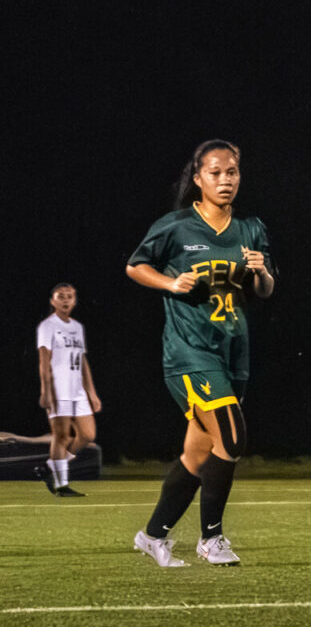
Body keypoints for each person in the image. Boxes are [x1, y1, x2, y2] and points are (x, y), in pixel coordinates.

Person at [125, 141, 273, 567]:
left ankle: (152, 536)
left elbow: (265, 291)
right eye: (215, 173)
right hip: (190, 351)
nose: (226, 180)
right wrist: (170, 284)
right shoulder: (175, 226)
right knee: (232, 438)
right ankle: (212, 539)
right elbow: (136, 266)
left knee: (198, 454)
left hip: (233, 351)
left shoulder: (250, 229)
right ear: (197, 179)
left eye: (232, 172)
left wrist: (261, 271)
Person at [36, 283, 102, 497]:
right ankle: (61, 485)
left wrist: (91, 393)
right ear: (53, 301)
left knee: (87, 434)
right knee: (61, 436)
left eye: (70, 297)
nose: (65, 300)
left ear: (74, 301)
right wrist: (46, 390)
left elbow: (82, 361)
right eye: (61, 296)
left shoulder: (77, 327)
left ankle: (50, 467)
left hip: (77, 389)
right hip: (58, 386)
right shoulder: (48, 326)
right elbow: (44, 362)